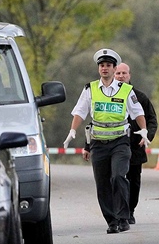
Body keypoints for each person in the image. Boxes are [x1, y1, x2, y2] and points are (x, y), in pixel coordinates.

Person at [64, 49, 150, 234]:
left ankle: (123, 217)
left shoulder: (126, 90)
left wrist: (143, 131)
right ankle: (111, 221)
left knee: (119, 176)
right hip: (98, 143)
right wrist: (72, 130)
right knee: (102, 183)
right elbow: (80, 111)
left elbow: (138, 112)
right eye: (102, 66)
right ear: (98, 69)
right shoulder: (90, 89)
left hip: (120, 142)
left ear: (114, 68)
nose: (105, 68)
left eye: (108, 66)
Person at [113, 63, 157, 224]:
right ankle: (118, 212)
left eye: (124, 73)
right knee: (116, 179)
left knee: (133, 181)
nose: (121, 76)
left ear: (129, 75)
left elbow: (151, 120)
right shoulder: (107, 96)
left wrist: (146, 135)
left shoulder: (140, 97)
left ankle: (130, 211)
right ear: (113, 75)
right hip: (114, 145)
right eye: (118, 73)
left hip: (135, 147)